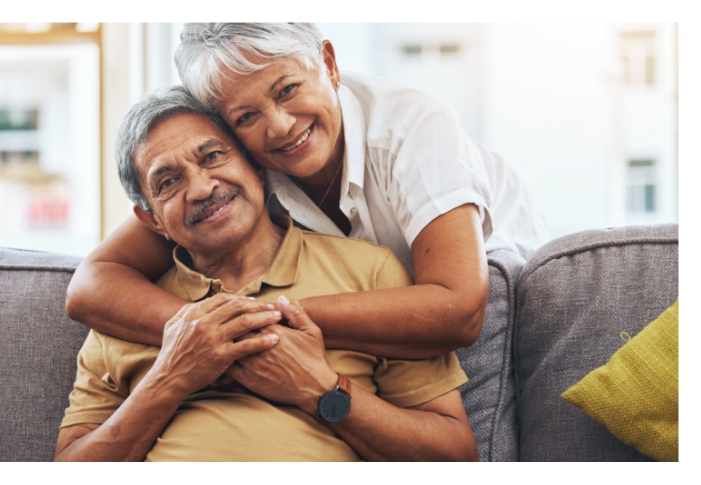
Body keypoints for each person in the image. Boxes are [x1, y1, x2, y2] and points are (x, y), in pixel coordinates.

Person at [66, 23, 548, 363]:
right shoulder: (236, 165)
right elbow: (92, 285)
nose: (280, 127)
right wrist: (207, 332)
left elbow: (460, 310)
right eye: (245, 117)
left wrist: (256, 320)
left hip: (510, 321)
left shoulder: (414, 125)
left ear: (329, 63)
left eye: (288, 89)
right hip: (360, 339)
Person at [53, 87, 477, 461]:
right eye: (168, 181)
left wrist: (323, 390)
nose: (201, 188)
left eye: (213, 156)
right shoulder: (122, 313)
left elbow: (457, 457)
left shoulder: (371, 272)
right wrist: (171, 376)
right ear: (151, 221)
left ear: (257, 168)